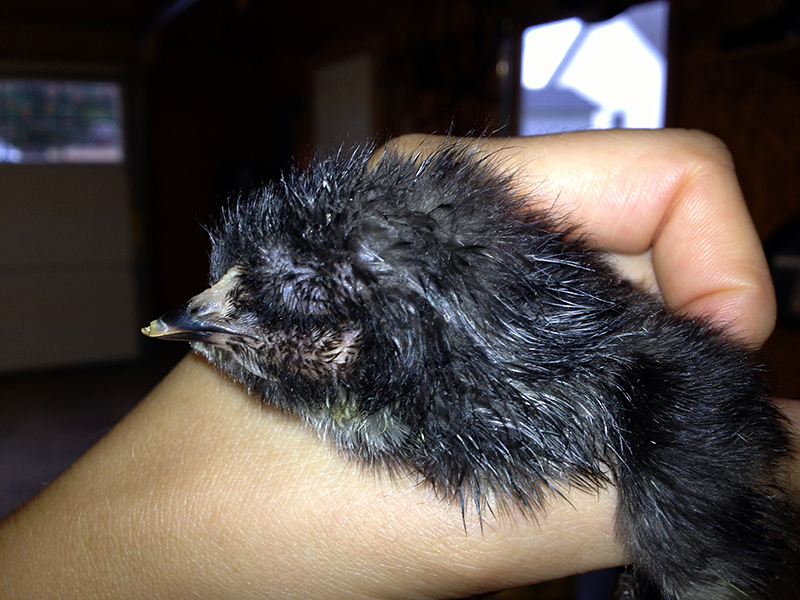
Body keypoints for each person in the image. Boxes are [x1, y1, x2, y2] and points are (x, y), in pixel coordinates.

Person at [1, 128, 795, 599]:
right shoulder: (420, 365)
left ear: (362, 351)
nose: (205, 315)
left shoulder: (649, 425)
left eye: (290, 310)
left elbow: (693, 394)